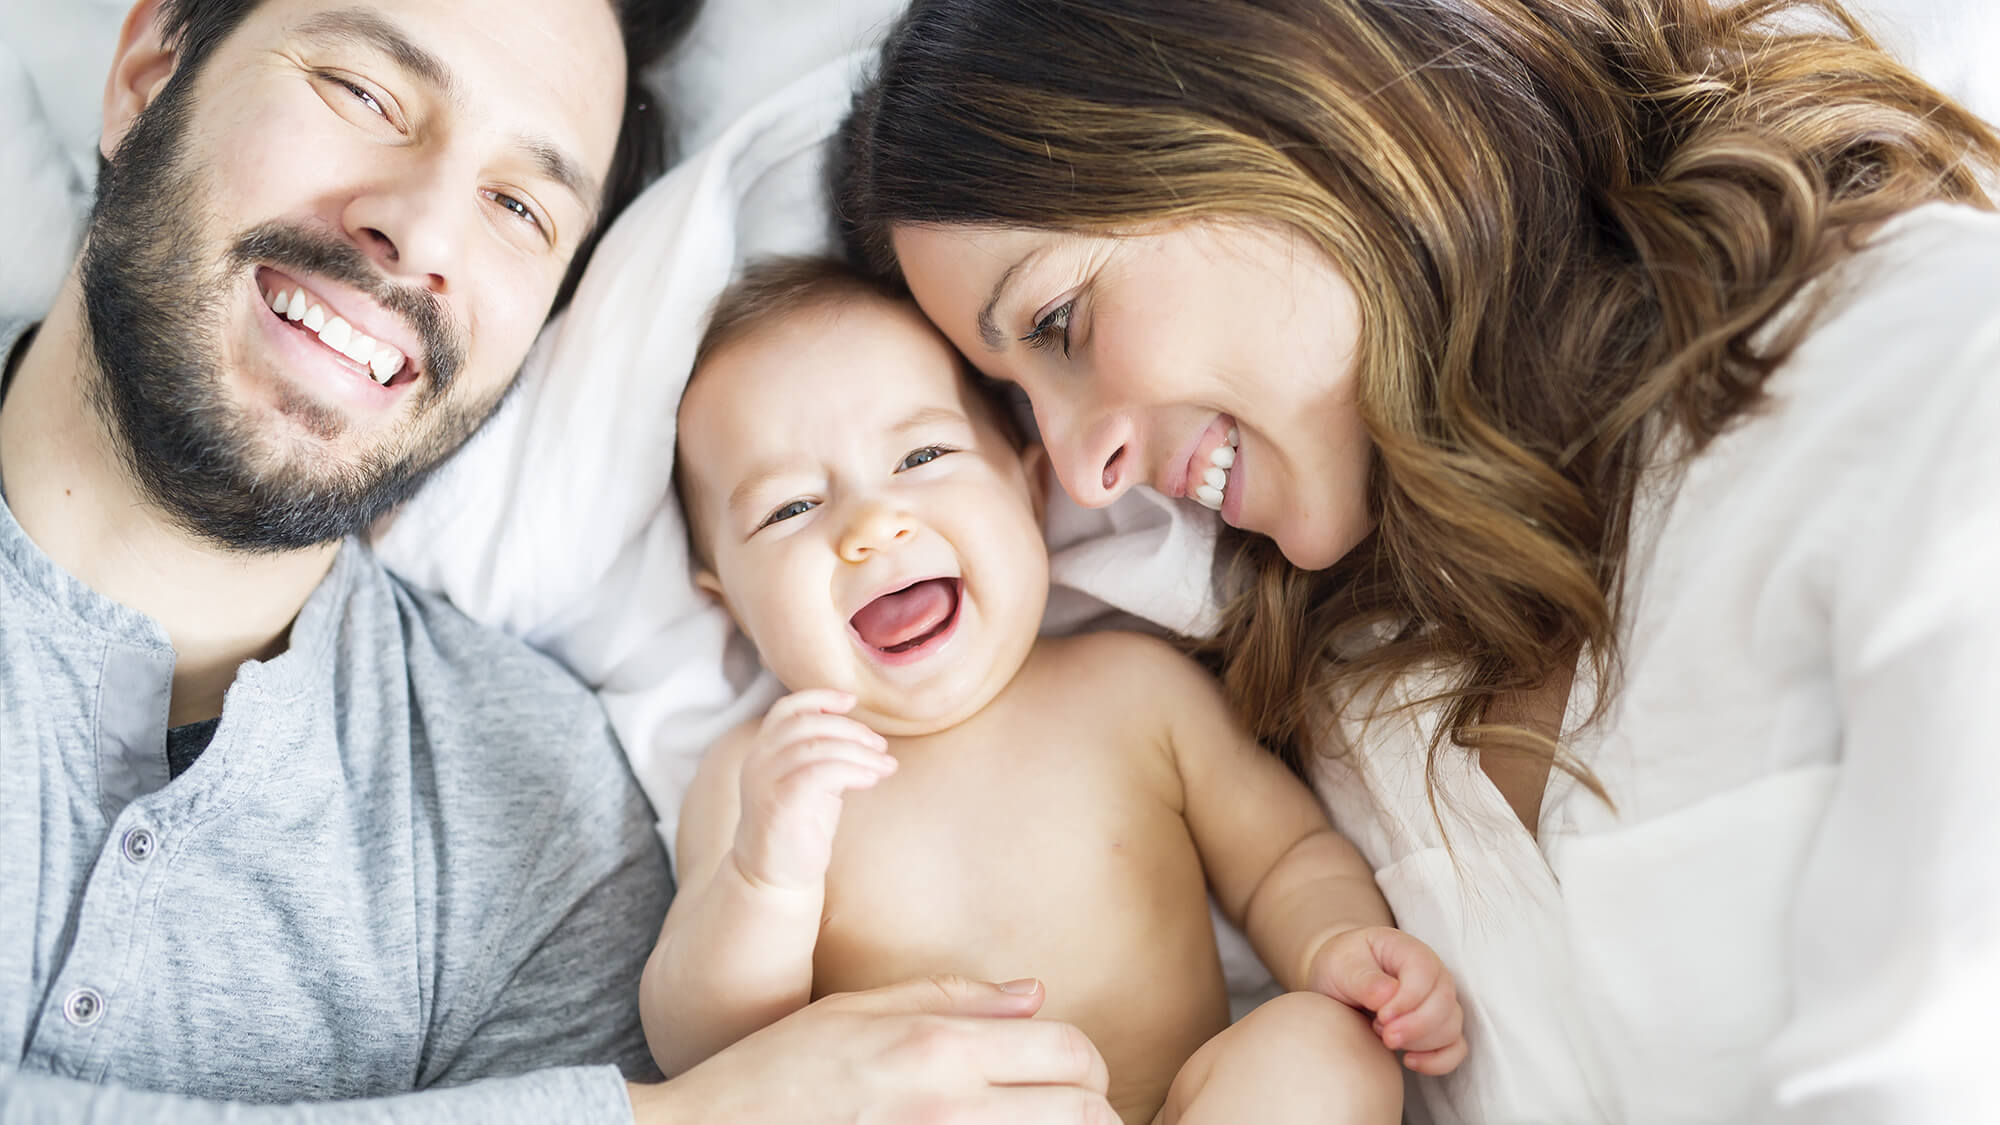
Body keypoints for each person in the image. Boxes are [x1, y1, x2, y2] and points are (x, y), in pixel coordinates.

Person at [832, 0, 2000, 1121]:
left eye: (1058, 324)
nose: (1084, 475)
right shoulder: (1347, 697)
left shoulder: (1925, 374)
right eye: (1017, 404)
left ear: (1285, 106)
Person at [0, 1, 1122, 1121]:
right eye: (365, 94)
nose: (427, 236)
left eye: (518, 207)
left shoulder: (545, 830)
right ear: (148, 70)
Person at [649, 257, 1467, 1124]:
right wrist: (766, 874)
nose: (870, 526)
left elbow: (1282, 860)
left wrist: (1333, 945)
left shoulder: (1135, 691)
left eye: (921, 455)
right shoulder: (761, 781)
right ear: (729, 602)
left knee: (1322, 1047)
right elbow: (700, 1048)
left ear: (1030, 489)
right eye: (789, 509)